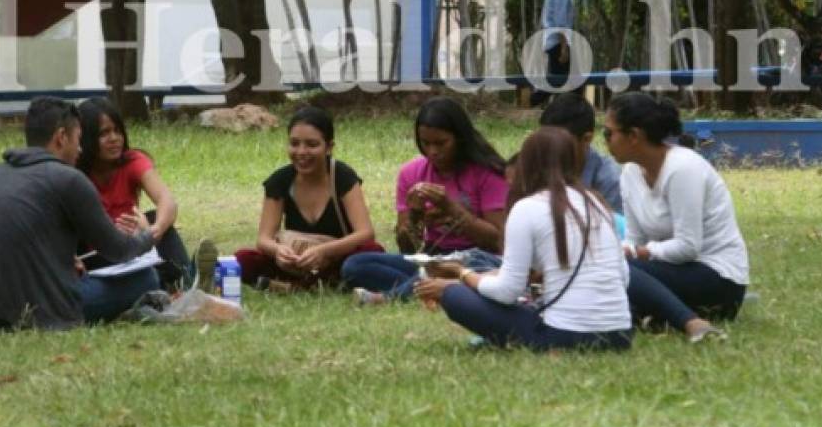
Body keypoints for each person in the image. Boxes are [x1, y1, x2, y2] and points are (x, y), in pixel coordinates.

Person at [415, 127, 632, 351]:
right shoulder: (597, 204)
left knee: (454, 296)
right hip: (620, 335)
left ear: (527, 165)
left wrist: (462, 275)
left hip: (564, 337)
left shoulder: (528, 207)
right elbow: (623, 277)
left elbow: (506, 291)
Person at [0, 97, 155, 330]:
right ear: (61, 137)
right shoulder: (68, 179)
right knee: (147, 278)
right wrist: (147, 235)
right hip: (41, 312)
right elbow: (118, 249)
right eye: (78, 140)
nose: (80, 150)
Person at [604, 93, 749, 342]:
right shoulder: (630, 172)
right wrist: (625, 249)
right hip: (671, 271)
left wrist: (641, 253)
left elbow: (688, 247)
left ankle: (690, 322)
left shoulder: (683, 169)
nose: (605, 141)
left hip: (716, 277)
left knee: (619, 269)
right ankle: (655, 314)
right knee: (608, 269)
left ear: (634, 136)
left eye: (609, 134)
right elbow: (634, 237)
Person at [341, 97, 509, 304]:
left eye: (441, 143)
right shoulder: (410, 173)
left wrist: (452, 209)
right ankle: (436, 287)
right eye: (425, 143)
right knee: (354, 266)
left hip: (477, 259)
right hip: (432, 258)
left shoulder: (487, 173)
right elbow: (407, 248)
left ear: (460, 138)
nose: (433, 151)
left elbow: (497, 240)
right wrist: (415, 214)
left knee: (467, 266)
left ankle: (388, 297)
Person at [234, 106, 383, 290]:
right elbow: (264, 239)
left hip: (336, 259)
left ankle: (292, 286)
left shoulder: (343, 176)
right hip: (296, 262)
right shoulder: (280, 180)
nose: (301, 152)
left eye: (312, 145)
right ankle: (316, 284)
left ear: (329, 147)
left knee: (372, 252)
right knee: (242, 259)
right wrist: (279, 251)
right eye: (294, 143)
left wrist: (323, 251)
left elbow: (365, 233)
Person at [76, 97, 201, 292]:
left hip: (134, 246)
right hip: (95, 254)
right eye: (104, 133)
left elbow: (166, 200)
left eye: (117, 131)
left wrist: (153, 232)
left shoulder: (133, 161)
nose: (114, 138)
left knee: (157, 220)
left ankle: (185, 281)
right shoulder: (73, 173)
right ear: (86, 138)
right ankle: (181, 281)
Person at [540, 93, 624, 221]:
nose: (551, 148)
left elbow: (616, 230)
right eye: (545, 140)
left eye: (560, 142)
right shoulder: (539, 168)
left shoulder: (611, 179)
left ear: (586, 139)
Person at [530, 0, 581, 107]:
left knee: (561, 81)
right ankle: (533, 99)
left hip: (557, 42)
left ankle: (536, 100)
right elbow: (560, 23)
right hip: (558, 43)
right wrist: (564, 48)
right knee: (562, 82)